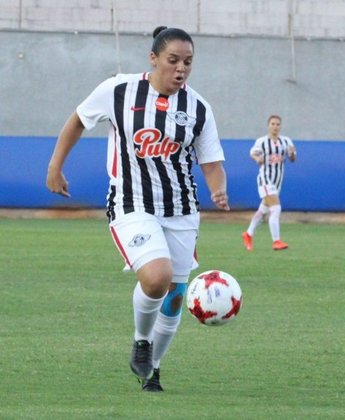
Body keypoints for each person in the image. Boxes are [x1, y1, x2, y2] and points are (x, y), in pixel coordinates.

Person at [46, 26, 230, 392]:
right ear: (153, 59)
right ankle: (141, 340)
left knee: (176, 296)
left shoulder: (197, 108)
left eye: (188, 63)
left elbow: (211, 162)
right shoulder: (119, 90)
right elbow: (78, 120)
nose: (181, 69)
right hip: (131, 204)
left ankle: (154, 369)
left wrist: (219, 190)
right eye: (173, 60)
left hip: (181, 209)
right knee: (156, 278)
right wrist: (55, 166)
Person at [242, 115, 296, 251]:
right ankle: (276, 241)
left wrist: (291, 154)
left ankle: (248, 234)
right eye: (273, 124)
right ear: (268, 125)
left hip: (277, 182)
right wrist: (257, 159)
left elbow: (293, 158)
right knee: (276, 208)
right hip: (265, 180)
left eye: (278, 124)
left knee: (263, 210)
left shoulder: (286, 141)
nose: (275, 126)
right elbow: (253, 153)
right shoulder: (262, 142)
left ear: (280, 126)